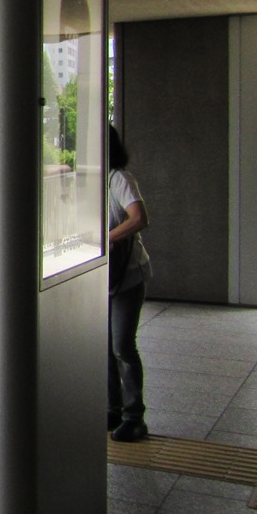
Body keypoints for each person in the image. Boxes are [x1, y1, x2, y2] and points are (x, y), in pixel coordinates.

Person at [108, 124, 152, 442]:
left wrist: (105, 238)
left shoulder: (119, 178)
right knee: (104, 346)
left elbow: (139, 218)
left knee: (122, 345)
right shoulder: (88, 179)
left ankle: (134, 416)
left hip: (127, 274)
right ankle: (112, 408)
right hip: (102, 272)